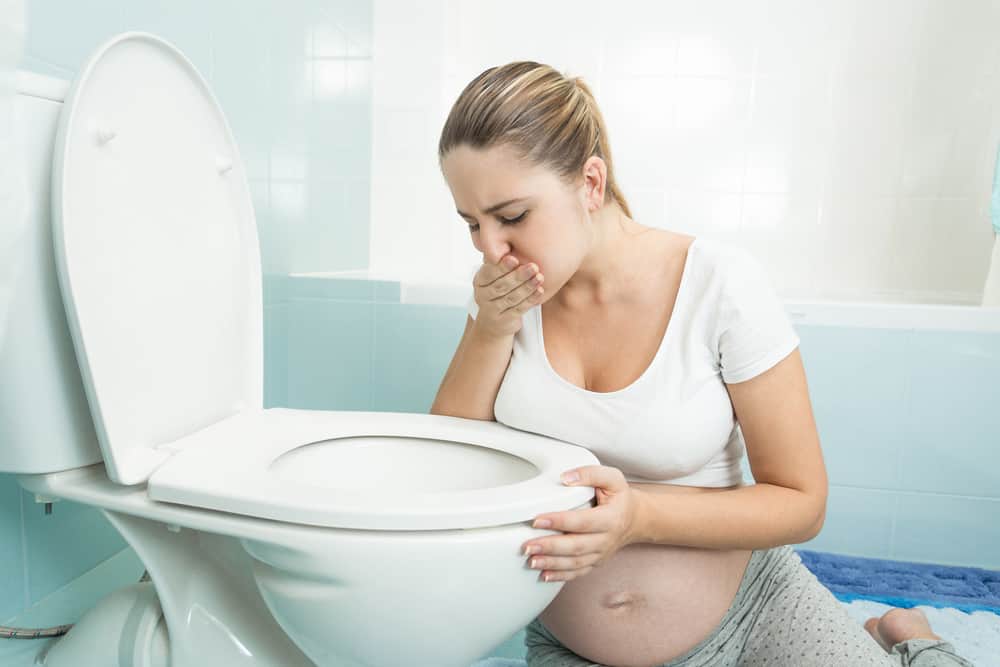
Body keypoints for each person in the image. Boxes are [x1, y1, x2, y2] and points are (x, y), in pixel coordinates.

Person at [430, 61, 975, 667]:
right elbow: (451, 470)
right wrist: (490, 329)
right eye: (471, 225)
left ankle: (913, 637)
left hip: (753, 615)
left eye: (511, 217)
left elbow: (802, 501)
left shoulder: (718, 282)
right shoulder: (503, 303)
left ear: (590, 183)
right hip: (575, 645)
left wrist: (640, 516)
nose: (490, 248)